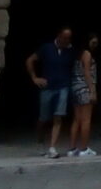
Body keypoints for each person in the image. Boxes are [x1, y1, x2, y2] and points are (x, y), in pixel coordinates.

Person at [27, 25, 73, 158]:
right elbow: (30, 60)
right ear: (59, 36)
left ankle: (52, 147)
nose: (66, 40)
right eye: (64, 37)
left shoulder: (70, 50)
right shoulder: (46, 48)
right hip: (47, 87)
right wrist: (34, 78)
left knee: (58, 116)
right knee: (43, 118)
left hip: (63, 86)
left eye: (69, 38)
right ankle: (39, 141)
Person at [67, 32, 101, 156]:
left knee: (76, 119)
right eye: (93, 42)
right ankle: (84, 148)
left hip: (75, 88)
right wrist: (92, 90)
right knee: (86, 120)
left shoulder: (76, 54)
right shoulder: (87, 54)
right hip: (85, 88)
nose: (95, 45)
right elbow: (87, 72)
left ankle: (72, 148)